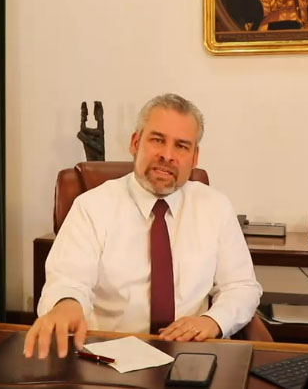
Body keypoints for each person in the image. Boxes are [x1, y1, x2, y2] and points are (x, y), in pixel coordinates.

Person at [24, 93, 262, 359]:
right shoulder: (91, 206)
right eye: (157, 140)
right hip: (109, 356)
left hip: (192, 356)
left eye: (181, 146)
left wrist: (212, 321)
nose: (167, 155)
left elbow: (241, 286)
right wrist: (66, 304)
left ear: (195, 158)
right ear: (135, 143)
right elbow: (68, 280)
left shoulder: (216, 207)